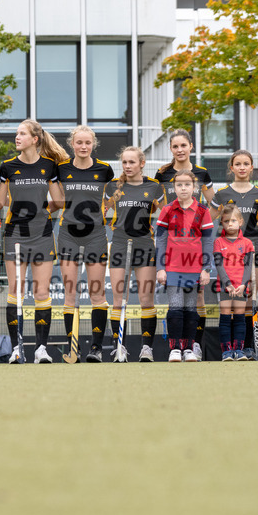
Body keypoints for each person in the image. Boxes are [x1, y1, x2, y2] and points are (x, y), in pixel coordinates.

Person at [0, 119, 67, 364]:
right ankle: (17, 348)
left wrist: (41, 209)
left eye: (22, 134)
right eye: (16, 133)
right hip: (15, 234)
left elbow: (59, 201)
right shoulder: (6, 167)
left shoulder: (49, 166)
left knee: (41, 291)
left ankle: (41, 349)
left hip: (42, 234)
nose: (17, 137)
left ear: (35, 139)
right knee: (15, 291)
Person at [57, 126, 115, 361]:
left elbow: (114, 195)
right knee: (70, 293)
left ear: (93, 144)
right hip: (68, 235)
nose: (83, 146)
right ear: (72, 144)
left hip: (96, 236)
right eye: (79, 142)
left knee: (97, 293)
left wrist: (104, 211)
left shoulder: (104, 169)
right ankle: (73, 349)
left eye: (87, 143)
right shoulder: (62, 169)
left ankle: (96, 349)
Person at [155, 129, 214, 358]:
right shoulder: (166, 195)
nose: (180, 150)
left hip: (195, 264)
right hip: (172, 262)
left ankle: (191, 347)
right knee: (175, 307)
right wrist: (161, 266)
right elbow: (160, 234)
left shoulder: (202, 209)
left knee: (192, 307)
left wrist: (205, 267)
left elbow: (208, 236)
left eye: (183, 145)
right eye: (175, 146)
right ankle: (175, 349)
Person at [211, 150, 258, 359]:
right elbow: (209, 219)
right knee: (230, 297)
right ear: (232, 168)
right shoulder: (222, 193)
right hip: (228, 251)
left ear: (251, 167)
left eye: (246, 164)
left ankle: (246, 347)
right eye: (237, 164)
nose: (242, 167)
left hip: (252, 247)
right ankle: (229, 349)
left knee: (248, 296)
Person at [104, 146, 164, 362]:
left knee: (146, 298)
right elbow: (102, 209)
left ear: (142, 163)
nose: (127, 166)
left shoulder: (154, 186)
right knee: (119, 299)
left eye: (132, 162)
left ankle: (146, 348)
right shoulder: (114, 187)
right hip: (120, 244)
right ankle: (119, 347)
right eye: (125, 162)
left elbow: (164, 213)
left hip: (145, 244)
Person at [212, 205, 254, 361]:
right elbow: (219, 265)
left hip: (241, 287)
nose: (230, 224)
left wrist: (243, 285)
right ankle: (227, 352)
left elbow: (249, 266)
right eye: (226, 221)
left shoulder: (248, 243)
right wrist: (227, 284)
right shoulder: (218, 242)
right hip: (225, 287)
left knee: (239, 318)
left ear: (241, 222)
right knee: (224, 318)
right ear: (221, 223)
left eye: (233, 220)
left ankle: (239, 350)